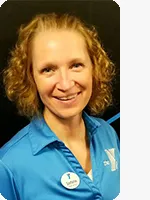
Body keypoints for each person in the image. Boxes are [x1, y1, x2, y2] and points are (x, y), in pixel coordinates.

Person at [0, 13, 120, 200]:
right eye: (48, 69)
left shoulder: (108, 135)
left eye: (76, 65)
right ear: (31, 78)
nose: (65, 84)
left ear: (94, 69)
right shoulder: (7, 165)